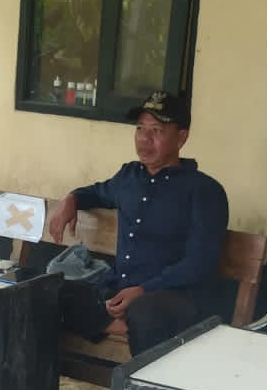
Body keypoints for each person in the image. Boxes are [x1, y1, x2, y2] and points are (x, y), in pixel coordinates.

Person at [45, 90, 229, 360]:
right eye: (140, 128)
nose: (144, 138)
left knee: (144, 311)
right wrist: (72, 198)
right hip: (122, 289)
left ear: (181, 137)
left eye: (156, 130)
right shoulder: (128, 177)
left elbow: (200, 263)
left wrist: (143, 291)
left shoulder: (204, 191)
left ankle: (138, 379)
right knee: (47, 289)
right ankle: (114, 321)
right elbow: (97, 192)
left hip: (172, 296)